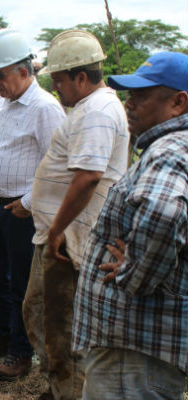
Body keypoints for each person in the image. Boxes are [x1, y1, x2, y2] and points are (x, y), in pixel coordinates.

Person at [72, 51, 188, 399]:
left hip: (133, 349)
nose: (129, 103)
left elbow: (164, 213)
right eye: (129, 94)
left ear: (178, 103)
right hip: (140, 349)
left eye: (141, 95)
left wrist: (134, 273)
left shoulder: (168, 151)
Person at [23, 30, 129, 400]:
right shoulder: (90, 108)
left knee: (60, 324)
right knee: (39, 312)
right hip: (60, 235)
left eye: (60, 80)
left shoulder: (97, 112)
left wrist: (57, 230)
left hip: (70, 241)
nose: (57, 88)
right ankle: (59, 386)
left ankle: (68, 391)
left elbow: (88, 177)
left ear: (81, 78)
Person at [0, 30, 65, 381]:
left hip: (24, 211)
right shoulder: (2, 104)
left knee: (21, 283)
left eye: (0, 75)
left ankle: (21, 354)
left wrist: (29, 202)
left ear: (23, 71)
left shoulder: (45, 108)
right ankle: (0, 335)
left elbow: (59, 165)